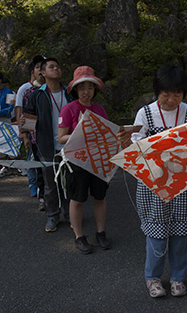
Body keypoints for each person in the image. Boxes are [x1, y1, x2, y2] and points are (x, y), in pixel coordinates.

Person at [118, 65, 187, 298]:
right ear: (157, 91)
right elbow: (135, 148)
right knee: (156, 231)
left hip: (183, 183)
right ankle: (152, 278)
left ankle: (177, 278)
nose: (172, 99)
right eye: (166, 93)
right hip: (152, 183)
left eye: (177, 93)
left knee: (181, 231)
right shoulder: (145, 113)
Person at [58, 66, 110, 254]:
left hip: (98, 160)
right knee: (77, 199)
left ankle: (101, 232)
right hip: (77, 161)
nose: (86, 92)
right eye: (81, 88)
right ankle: (79, 236)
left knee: (100, 197)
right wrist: (80, 131)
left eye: (90, 87)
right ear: (75, 90)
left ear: (95, 89)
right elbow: (61, 138)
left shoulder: (99, 109)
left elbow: (107, 134)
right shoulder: (68, 109)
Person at [23, 57, 71, 230]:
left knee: (67, 182)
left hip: (68, 146)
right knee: (50, 184)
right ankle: (52, 215)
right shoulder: (37, 95)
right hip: (46, 145)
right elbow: (28, 116)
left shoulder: (69, 92)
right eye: (51, 67)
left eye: (58, 66)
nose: (56, 69)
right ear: (42, 73)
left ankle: (70, 214)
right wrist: (26, 135)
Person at [16, 55, 46, 198]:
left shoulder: (58, 89)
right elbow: (24, 112)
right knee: (34, 163)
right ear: (32, 71)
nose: (41, 70)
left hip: (54, 136)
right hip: (35, 136)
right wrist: (25, 134)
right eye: (38, 67)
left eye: (44, 66)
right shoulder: (28, 91)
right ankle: (35, 187)